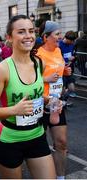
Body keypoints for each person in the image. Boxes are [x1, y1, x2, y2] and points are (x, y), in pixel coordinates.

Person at [0, 15, 56, 179]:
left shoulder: (39, 63)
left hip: (37, 134)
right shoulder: (2, 70)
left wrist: (48, 100)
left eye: (31, 31)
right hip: (10, 139)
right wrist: (15, 110)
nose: (28, 36)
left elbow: (33, 94)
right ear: (9, 37)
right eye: (21, 32)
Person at [36, 20, 71, 179]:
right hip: (41, 104)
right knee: (39, 145)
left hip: (57, 104)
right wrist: (45, 78)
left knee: (62, 143)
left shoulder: (57, 51)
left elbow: (60, 71)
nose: (60, 37)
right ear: (46, 36)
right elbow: (29, 81)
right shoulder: (37, 56)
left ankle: (60, 177)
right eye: (57, 34)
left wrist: (66, 72)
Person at [59, 31, 77, 99]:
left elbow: (74, 54)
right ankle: (63, 101)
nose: (73, 43)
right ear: (67, 39)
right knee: (62, 90)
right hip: (61, 70)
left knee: (72, 89)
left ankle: (65, 98)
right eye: (72, 41)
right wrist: (66, 58)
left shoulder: (72, 45)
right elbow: (57, 57)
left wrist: (74, 57)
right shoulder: (59, 45)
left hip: (69, 69)